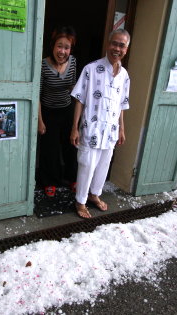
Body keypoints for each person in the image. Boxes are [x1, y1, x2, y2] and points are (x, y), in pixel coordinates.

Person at [70, 29, 130, 218]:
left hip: (111, 130)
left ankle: (94, 194)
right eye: (114, 43)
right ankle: (80, 201)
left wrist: (122, 128)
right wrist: (74, 127)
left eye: (121, 45)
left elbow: (122, 104)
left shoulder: (124, 75)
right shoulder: (92, 69)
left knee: (104, 165)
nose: (117, 48)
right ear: (108, 44)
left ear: (126, 49)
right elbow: (79, 99)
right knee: (87, 164)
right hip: (91, 128)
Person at [38, 26, 78, 197]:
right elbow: (37, 95)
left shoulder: (73, 62)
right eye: (59, 46)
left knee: (71, 145)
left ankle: (73, 178)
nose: (62, 51)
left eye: (66, 47)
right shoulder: (43, 65)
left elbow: (74, 88)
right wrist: (40, 121)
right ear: (53, 46)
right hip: (48, 111)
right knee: (50, 148)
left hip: (67, 109)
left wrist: (77, 120)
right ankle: (50, 181)